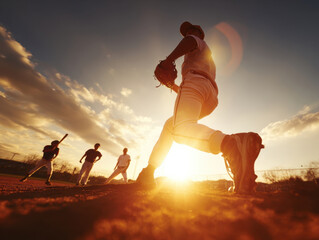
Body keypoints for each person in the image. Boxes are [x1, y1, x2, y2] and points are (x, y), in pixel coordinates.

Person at [136, 21, 264, 193]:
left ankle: (231, 143)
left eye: (190, 30)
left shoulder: (195, 40)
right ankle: (149, 172)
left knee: (180, 129)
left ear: (198, 32)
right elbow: (193, 90)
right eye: (186, 31)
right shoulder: (206, 56)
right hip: (210, 94)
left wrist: (168, 60)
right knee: (171, 125)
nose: (187, 33)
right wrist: (172, 86)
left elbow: (190, 42)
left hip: (195, 83)